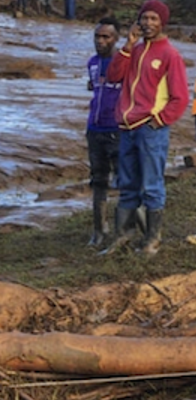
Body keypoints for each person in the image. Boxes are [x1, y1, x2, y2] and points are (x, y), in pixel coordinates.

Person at [102, 0, 189, 256]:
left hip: (151, 129)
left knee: (152, 184)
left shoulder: (170, 55)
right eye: (144, 18)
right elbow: (114, 76)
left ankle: (152, 241)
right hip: (127, 127)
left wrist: (159, 120)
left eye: (153, 19)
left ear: (162, 22)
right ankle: (123, 236)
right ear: (138, 21)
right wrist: (127, 46)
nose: (148, 23)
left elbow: (180, 97)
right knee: (127, 184)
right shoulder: (136, 51)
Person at [86, 19, 122, 247]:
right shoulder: (91, 63)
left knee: (124, 182)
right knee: (98, 181)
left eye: (106, 37)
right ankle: (99, 230)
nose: (100, 41)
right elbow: (93, 88)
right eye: (98, 36)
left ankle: (125, 230)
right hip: (94, 130)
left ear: (116, 39)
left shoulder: (124, 63)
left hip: (118, 131)